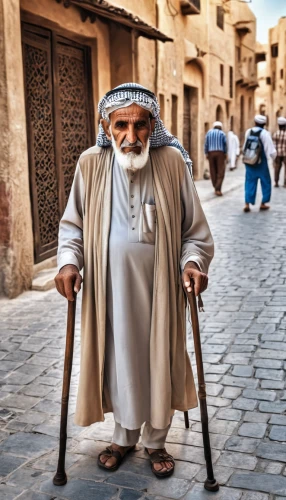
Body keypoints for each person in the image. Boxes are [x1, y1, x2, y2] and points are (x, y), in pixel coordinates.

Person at [54, 83, 214, 479]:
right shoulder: (90, 163)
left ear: (152, 125)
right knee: (119, 359)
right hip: (109, 293)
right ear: (106, 126)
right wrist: (68, 263)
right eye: (120, 124)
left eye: (140, 125)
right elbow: (72, 225)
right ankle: (124, 436)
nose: (131, 136)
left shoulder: (172, 162)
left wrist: (192, 261)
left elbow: (194, 231)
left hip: (161, 290)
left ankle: (157, 440)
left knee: (159, 356)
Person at [243, 115, 277, 213]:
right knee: (266, 182)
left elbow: (245, 146)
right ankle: (263, 203)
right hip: (261, 162)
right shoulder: (265, 133)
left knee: (249, 182)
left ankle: (247, 204)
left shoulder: (248, 131)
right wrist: (274, 158)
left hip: (249, 161)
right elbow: (270, 150)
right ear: (264, 124)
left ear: (255, 122)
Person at [204, 121, 227, 196]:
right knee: (221, 171)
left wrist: (206, 153)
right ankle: (218, 188)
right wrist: (225, 153)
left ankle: (215, 187)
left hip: (211, 153)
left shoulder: (209, 133)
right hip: (220, 153)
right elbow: (225, 144)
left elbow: (206, 144)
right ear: (220, 127)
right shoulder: (222, 133)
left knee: (212, 170)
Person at [272, 116, 286, 187]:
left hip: (278, 154)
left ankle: (276, 182)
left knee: (277, 168)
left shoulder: (275, 134)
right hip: (285, 154)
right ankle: (285, 183)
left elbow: (273, 145)